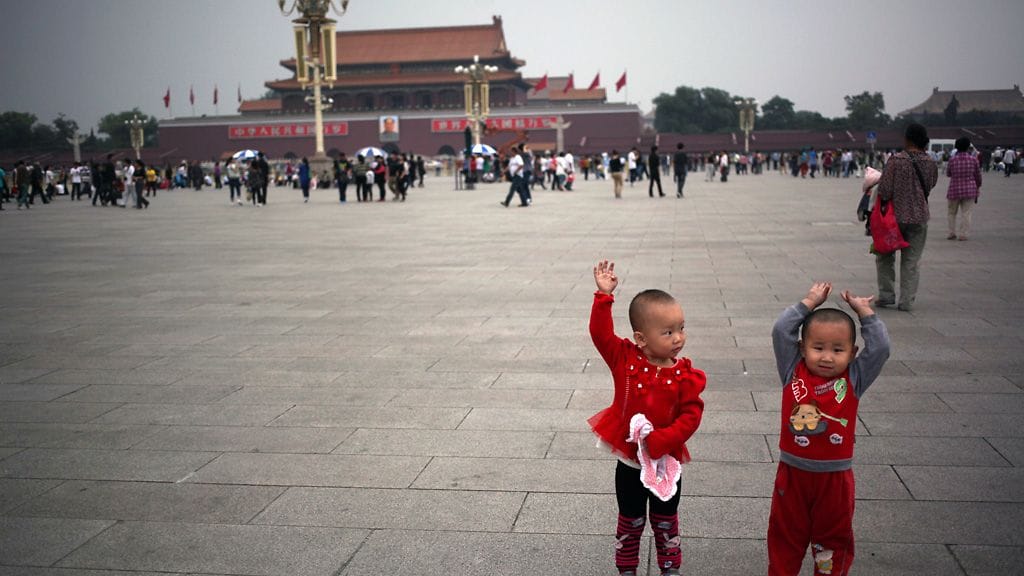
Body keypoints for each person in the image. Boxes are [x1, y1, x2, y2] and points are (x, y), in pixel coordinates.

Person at [588, 260, 706, 576]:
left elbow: (692, 415)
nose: (678, 338)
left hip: (666, 461)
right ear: (641, 338)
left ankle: (670, 567)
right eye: (668, 332)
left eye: (681, 328)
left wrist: (664, 439)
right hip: (630, 461)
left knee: (666, 520)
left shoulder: (685, 375)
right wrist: (603, 297)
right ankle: (627, 567)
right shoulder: (624, 358)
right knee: (630, 519)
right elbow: (600, 335)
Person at [768, 282, 890, 576]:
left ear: (852, 353)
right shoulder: (792, 369)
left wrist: (865, 313)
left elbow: (881, 348)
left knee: (832, 539)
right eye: (818, 348)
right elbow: (781, 330)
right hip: (792, 475)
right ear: (802, 348)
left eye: (838, 350)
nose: (827, 357)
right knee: (785, 534)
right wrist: (809, 302)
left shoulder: (854, 377)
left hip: (834, 480)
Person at [875, 123, 937, 312]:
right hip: (919, 217)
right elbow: (931, 184)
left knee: (885, 256)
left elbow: (885, 190)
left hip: (894, 218)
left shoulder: (895, 160)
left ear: (907, 138)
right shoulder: (930, 162)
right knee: (911, 261)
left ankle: (886, 295)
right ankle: (906, 301)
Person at [945, 137, 982, 241]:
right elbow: (978, 176)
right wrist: (978, 186)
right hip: (970, 189)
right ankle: (963, 234)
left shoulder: (952, 160)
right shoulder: (973, 160)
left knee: (952, 212)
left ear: (956, 147)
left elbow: (948, 173)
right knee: (966, 213)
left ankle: (951, 233)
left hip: (954, 189)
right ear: (968, 147)